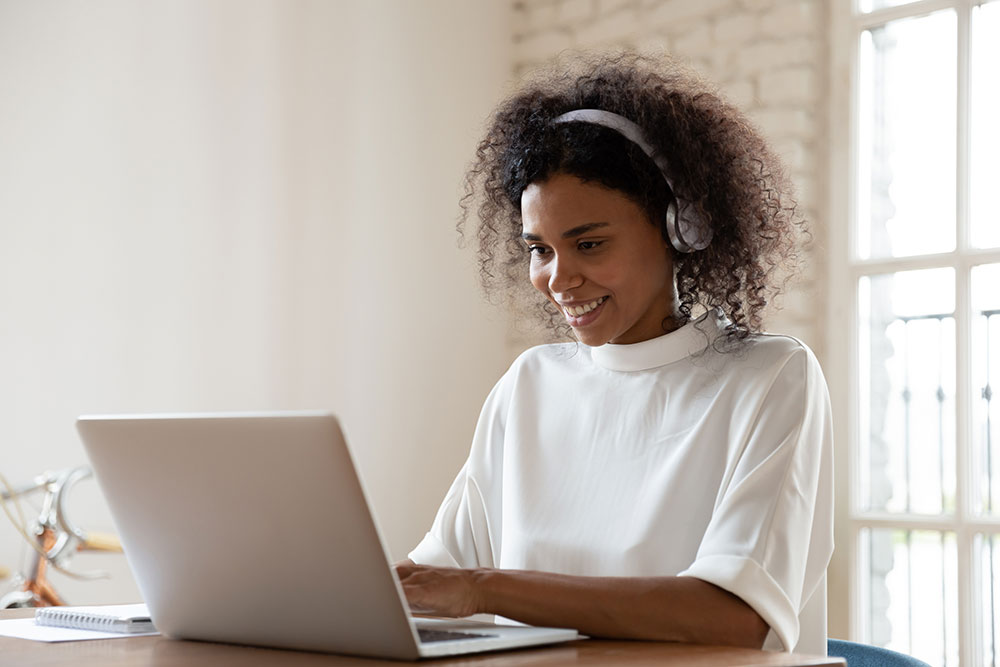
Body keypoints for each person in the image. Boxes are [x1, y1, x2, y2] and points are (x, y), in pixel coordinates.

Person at [395, 52, 834, 655]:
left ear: (683, 228)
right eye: (539, 250)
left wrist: (485, 589)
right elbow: (434, 581)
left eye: (590, 243)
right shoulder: (531, 385)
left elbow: (734, 617)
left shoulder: (770, 379)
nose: (557, 278)